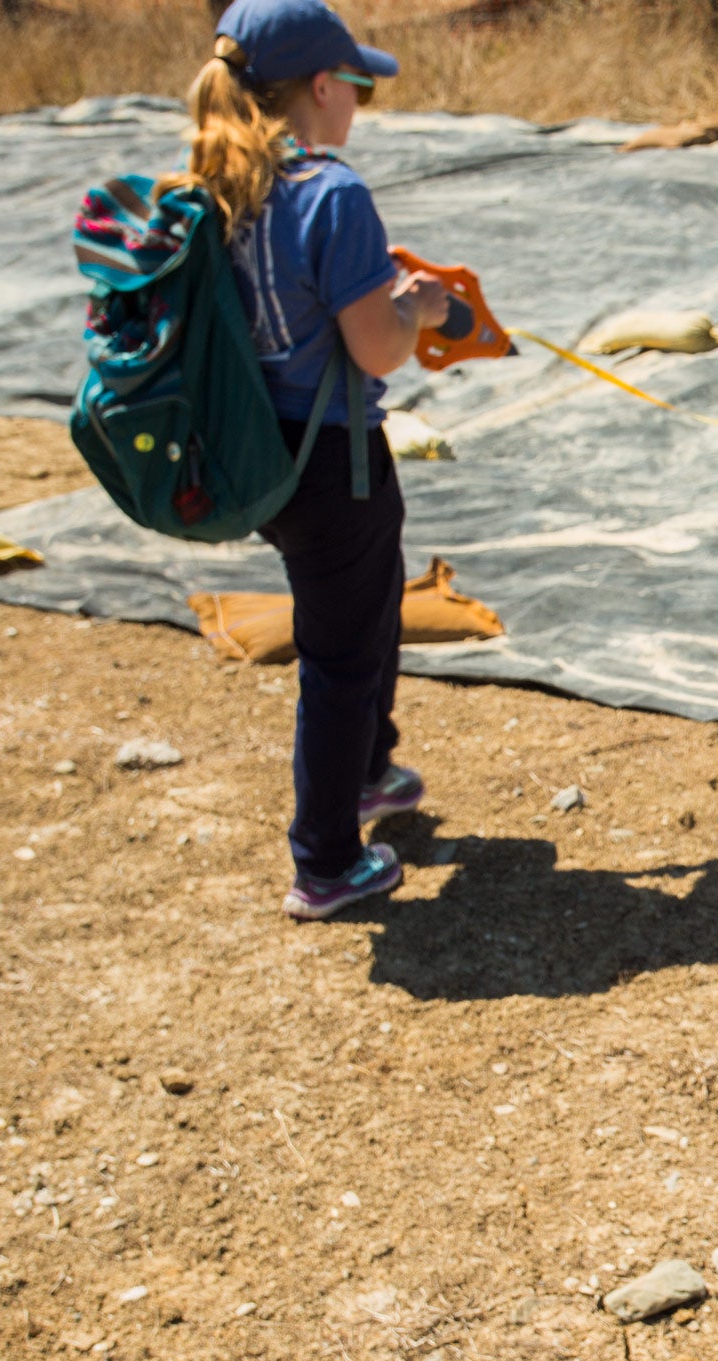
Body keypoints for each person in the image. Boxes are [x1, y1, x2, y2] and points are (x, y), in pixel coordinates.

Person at [158, 0, 449, 920]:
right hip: (333, 460)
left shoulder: (216, 185)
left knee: (367, 603)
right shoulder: (332, 194)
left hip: (258, 453)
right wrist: (423, 310)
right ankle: (324, 862)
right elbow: (375, 349)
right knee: (339, 653)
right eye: (356, 84)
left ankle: (371, 770)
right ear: (322, 88)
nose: (360, 102)